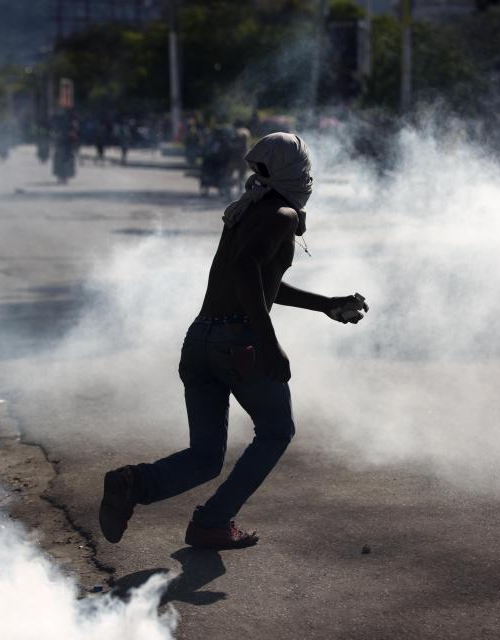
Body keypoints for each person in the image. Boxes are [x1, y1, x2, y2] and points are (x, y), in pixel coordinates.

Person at [99, 133, 369, 550]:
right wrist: (267, 342)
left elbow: (262, 282)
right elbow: (246, 271)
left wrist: (326, 304)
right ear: (292, 172)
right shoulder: (280, 214)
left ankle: (134, 483)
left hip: (201, 340)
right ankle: (213, 520)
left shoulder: (249, 210)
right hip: (238, 342)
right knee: (277, 431)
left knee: (206, 457)